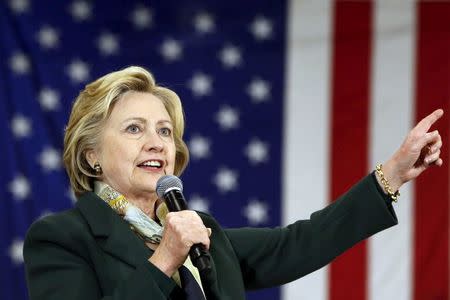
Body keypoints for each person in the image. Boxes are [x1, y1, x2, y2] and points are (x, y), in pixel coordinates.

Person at [23, 66, 444, 300]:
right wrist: (164, 258)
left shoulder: (203, 233)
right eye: (134, 129)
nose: (157, 142)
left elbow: (300, 243)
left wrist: (391, 175)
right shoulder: (62, 239)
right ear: (90, 155)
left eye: (165, 131)